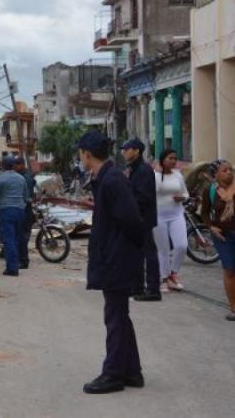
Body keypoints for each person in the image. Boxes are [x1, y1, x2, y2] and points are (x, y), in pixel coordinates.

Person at [77, 131, 145, 394]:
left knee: (115, 318)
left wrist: (121, 253)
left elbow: (132, 222)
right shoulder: (104, 179)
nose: (80, 158)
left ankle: (113, 374)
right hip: (114, 257)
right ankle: (132, 371)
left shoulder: (112, 180)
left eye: (80, 153)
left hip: (117, 259)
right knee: (120, 316)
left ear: (87, 154)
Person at [120, 138, 161, 303]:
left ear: (136, 151)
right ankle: (137, 287)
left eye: (126, 149)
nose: (123, 152)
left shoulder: (144, 170)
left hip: (143, 219)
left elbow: (144, 197)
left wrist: (128, 207)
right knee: (136, 255)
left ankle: (153, 290)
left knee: (149, 254)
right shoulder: (133, 169)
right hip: (136, 219)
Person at [201, 160, 235, 321]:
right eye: (224, 170)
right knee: (229, 270)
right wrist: (211, 227)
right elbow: (205, 212)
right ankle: (233, 308)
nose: (229, 172)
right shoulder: (210, 190)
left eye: (230, 169)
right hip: (223, 236)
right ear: (216, 175)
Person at [153, 149, 189, 293]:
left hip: (176, 214)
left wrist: (183, 197)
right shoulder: (154, 176)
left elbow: (186, 193)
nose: (173, 161)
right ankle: (164, 279)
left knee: (181, 245)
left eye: (175, 158)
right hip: (158, 215)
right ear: (163, 159)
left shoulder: (178, 175)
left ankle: (173, 274)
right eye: (170, 158)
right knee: (163, 249)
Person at [0, 155, 27, 276]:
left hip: (6, 211)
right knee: (15, 238)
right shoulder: (21, 178)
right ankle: (15, 263)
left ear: (3, 166)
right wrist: (21, 206)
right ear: (14, 165)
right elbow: (25, 196)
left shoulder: (0, 179)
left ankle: (12, 268)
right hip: (20, 211)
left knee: (8, 239)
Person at [13, 157, 36, 269]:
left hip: (25, 209)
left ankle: (23, 261)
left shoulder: (25, 177)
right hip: (24, 208)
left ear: (21, 164)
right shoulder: (24, 175)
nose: (14, 167)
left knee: (22, 236)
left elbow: (26, 196)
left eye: (16, 165)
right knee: (20, 235)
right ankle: (20, 258)